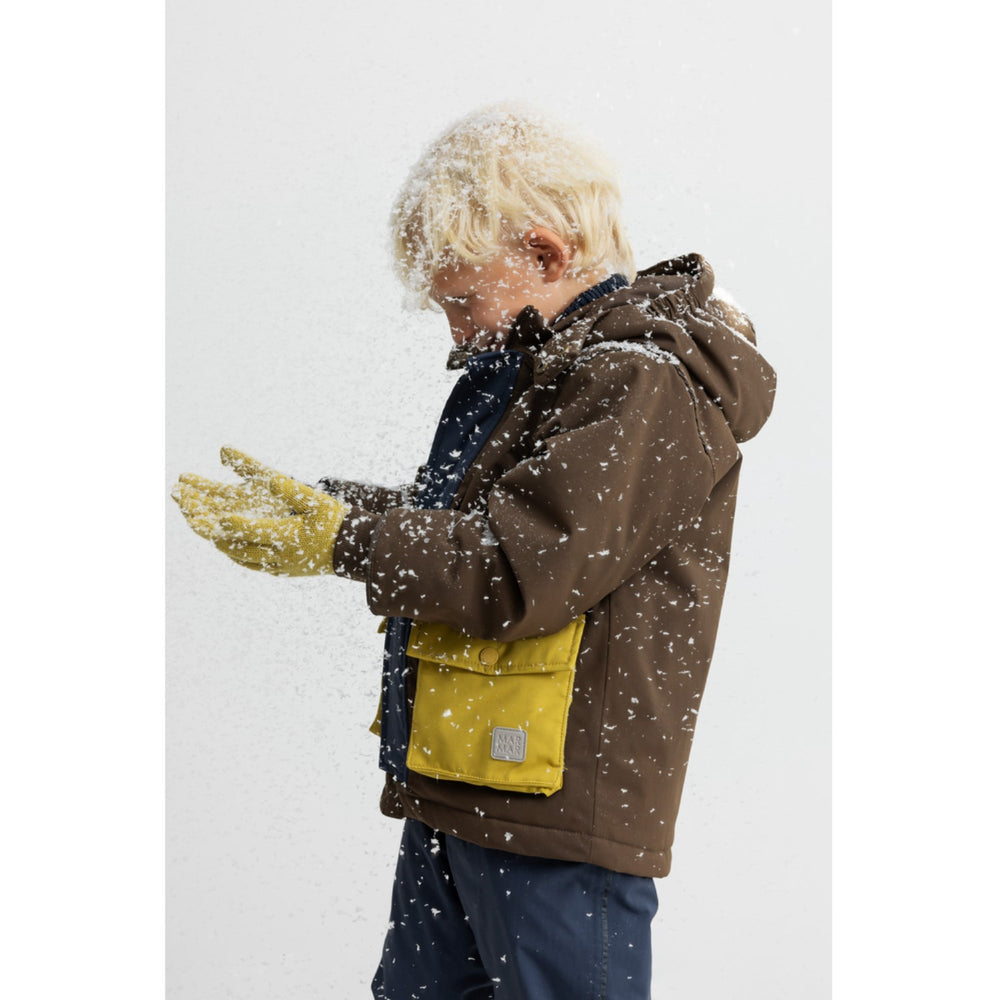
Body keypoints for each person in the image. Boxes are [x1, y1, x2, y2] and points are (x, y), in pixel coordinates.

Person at [173, 104, 777, 1000]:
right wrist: (335, 508)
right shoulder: (543, 366)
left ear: (546, 253)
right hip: (468, 783)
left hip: (554, 820)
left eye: (462, 300)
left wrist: (344, 540)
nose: (456, 331)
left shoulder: (640, 379)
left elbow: (519, 568)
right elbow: (474, 525)